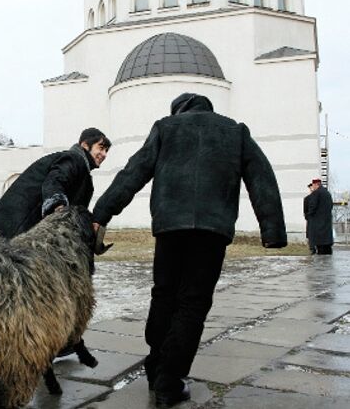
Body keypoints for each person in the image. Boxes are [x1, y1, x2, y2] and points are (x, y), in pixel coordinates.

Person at [92, 93, 287, 408]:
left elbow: (134, 172)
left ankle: (157, 366)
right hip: (212, 230)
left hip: (170, 227)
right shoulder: (235, 131)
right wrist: (273, 231)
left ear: (177, 110)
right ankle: (170, 381)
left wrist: (101, 213)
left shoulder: (166, 127)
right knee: (193, 304)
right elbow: (262, 178)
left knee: (164, 294)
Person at [0, 127, 111, 240]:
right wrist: (59, 207)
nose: (104, 154)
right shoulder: (74, 159)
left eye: (106, 151)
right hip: (15, 228)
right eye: (101, 148)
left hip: (12, 228)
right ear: (85, 145)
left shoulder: (81, 170)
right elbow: (55, 181)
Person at [306, 178, 334, 255]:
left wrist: (309, 215)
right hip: (327, 220)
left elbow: (312, 206)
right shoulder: (327, 193)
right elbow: (331, 205)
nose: (313, 187)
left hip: (317, 223)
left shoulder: (316, 193)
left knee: (320, 245)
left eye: (313, 185)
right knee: (327, 245)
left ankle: (320, 263)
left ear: (316, 184)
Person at [304, 183, 316, 254]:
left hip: (318, 220)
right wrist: (308, 217)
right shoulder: (307, 198)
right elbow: (305, 211)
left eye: (313, 187)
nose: (312, 189)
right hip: (310, 220)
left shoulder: (320, 197)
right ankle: (312, 249)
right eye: (310, 188)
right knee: (310, 235)